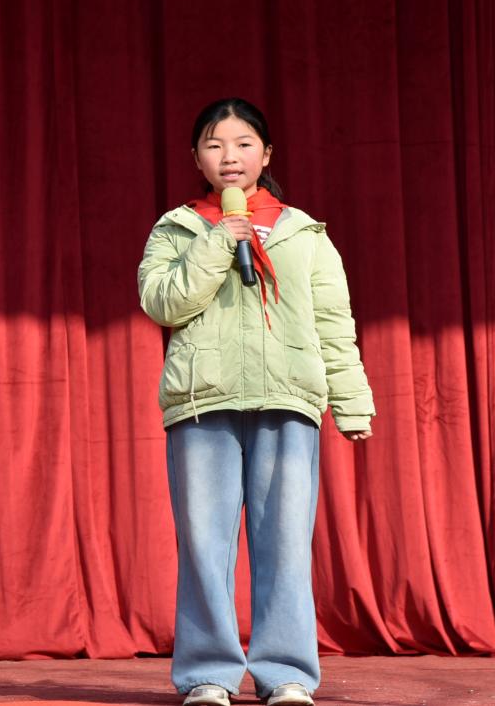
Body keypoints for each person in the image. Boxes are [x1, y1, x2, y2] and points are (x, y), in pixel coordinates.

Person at [137, 97, 375, 706]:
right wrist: (218, 241)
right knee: (204, 545)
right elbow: (162, 302)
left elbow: (333, 323)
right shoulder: (177, 228)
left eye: (243, 144)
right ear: (197, 158)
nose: (230, 156)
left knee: (285, 543)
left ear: (266, 154)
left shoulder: (304, 232)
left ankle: (286, 673)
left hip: (287, 400)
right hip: (202, 403)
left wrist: (352, 402)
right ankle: (208, 674)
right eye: (215, 145)